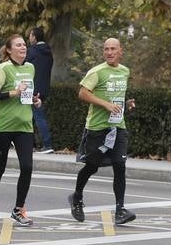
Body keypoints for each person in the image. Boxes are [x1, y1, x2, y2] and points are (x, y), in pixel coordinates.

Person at [68, 37, 137, 226]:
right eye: (106, 49)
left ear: (120, 51)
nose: (109, 52)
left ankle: (120, 210)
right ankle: (77, 197)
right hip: (97, 128)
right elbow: (82, 93)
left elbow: (116, 96)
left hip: (118, 126)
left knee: (119, 166)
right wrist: (106, 105)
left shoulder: (124, 71)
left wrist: (125, 104)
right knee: (92, 166)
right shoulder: (96, 72)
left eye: (113, 49)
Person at [0, 34, 39, 227]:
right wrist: (13, 93)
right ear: (9, 50)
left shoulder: (30, 68)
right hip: (3, 126)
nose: (23, 47)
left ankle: (19, 209)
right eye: (18, 45)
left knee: (27, 167)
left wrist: (35, 99)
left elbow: (28, 93)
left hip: (24, 126)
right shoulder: (3, 69)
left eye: (24, 44)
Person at [27, 26, 55, 153]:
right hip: (44, 89)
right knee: (31, 116)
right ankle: (27, 144)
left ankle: (47, 145)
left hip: (32, 88)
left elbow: (22, 65)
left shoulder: (32, 51)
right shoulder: (49, 52)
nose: (29, 38)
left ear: (35, 36)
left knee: (37, 116)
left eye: (30, 35)